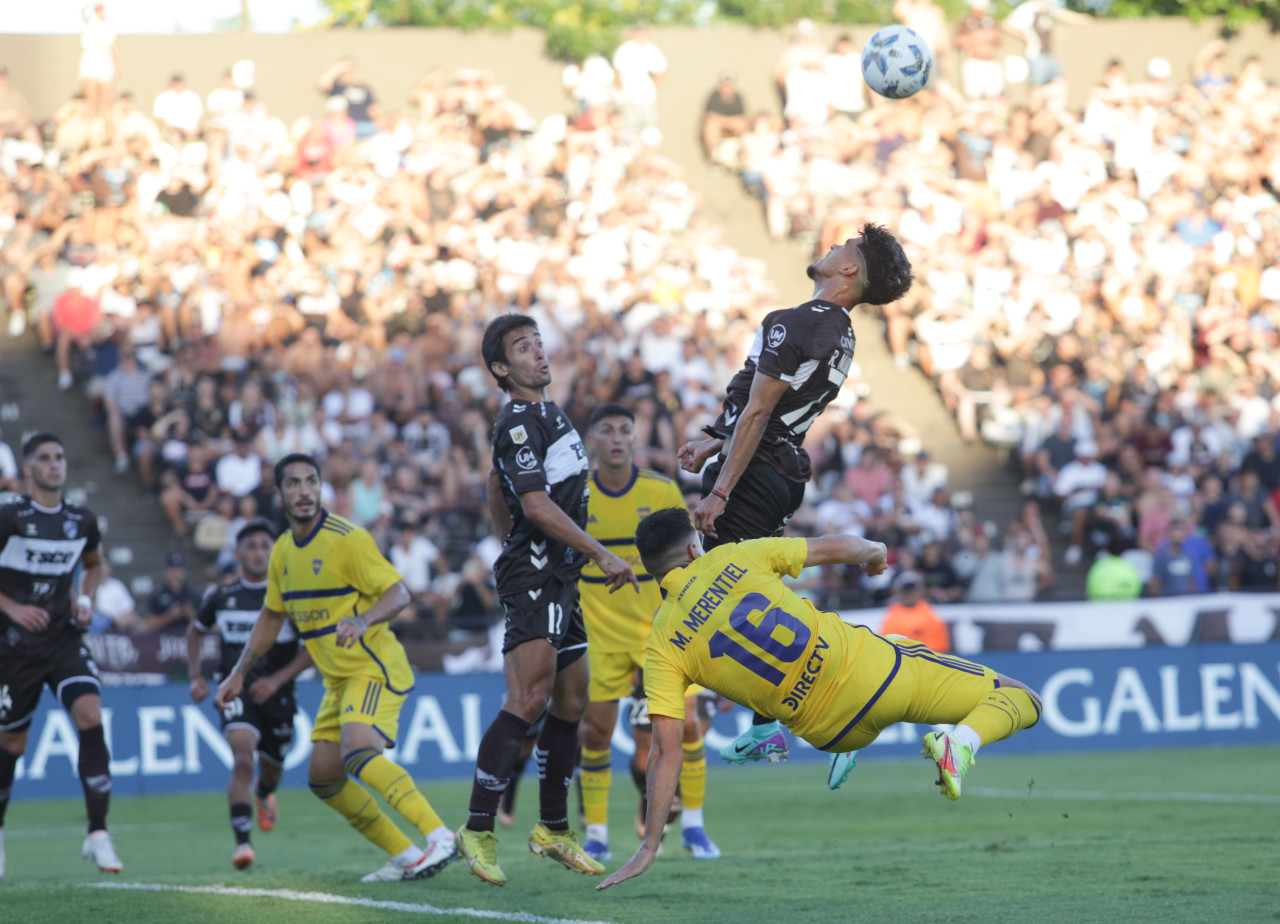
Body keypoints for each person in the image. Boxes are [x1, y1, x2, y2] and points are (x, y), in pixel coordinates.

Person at [596, 508, 1042, 890]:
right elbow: (838, 546)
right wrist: (875, 554)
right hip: (878, 677)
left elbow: (664, 753)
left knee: (901, 642)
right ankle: (960, 742)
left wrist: (648, 846)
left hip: (831, 732)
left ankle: (770, 736)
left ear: (655, 572)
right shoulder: (735, 556)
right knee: (1023, 699)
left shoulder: (662, 644)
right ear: (695, 550)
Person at [676, 224, 913, 767]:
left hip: (757, 474)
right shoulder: (838, 332)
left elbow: (761, 411)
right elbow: (768, 407)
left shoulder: (795, 322)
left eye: (842, 248)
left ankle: (841, 708)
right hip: (778, 469)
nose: (831, 248)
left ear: (849, 270)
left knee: (721, 603)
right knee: (749, 602)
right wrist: (714, 438)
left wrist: (720, 489)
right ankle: (773, 724)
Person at [455, 315, 639, 887]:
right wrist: (602, 554)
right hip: (536, 576)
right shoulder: (514, 421)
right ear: (502, 369)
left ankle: (553, 829)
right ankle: (478, 829)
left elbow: (495, 486)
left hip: (559, 573)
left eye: (538, 343)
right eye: (522, 348)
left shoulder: (550, 414)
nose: (538, 353)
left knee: (571, 701)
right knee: (529, 699)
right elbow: (533, 507)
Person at [214, 454, 458, 882]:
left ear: (321, 488)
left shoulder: (348, 538)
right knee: (324, 779)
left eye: (311, 481)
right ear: (279, 494)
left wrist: (362, 620)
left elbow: (398, 594)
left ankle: (440, 836)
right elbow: (271, 617)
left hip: (372, 666)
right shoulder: (283, 553)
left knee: (360, 751)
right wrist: (238, 672)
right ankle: (406, 857)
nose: (304, 491)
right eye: (293, 483)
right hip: (338, 680)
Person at [577, 403, 720, 864]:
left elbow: (688, 557)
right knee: (594, 732)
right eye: (607, 431)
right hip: (599, 634)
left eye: (624, 430)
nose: (617, 438)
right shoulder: (575, 495)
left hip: (661, 634)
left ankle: (695, 828)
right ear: (592, 440)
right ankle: (597, 833)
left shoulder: (660, 490)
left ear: (635, 438)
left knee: (689, 726)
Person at [0, 433, 121, 876]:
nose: (55, 464)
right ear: (29, 467)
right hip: (12, 648)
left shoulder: (81, 519)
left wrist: (85, 599)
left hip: (63, 640)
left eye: (60, 457)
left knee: (90, 715)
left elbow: (94, 564)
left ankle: (98, 835)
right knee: (11, 743)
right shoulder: (9, 515)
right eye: (45, 458)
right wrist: (12, 607)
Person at [189, 519, 313, 870]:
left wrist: (277, 680)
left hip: (279, 696)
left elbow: (313, 648)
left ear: (275, 552)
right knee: (243, 759)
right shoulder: (221, 596)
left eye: (265, 546)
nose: (259, 552)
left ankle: (264, 792)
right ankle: (243, 844)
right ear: (238, 553)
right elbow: (195, 631)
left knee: (272, 770)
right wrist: (196, 675)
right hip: (236, 693)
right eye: (252, 546)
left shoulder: (290, 595)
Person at [880, 570, 950, 653]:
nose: (909, 594)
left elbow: (941, 645)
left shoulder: (930, 613)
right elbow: (885, 646)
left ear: (920, 591)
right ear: (899, 592)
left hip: (929, 660)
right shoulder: (892, 616)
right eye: (906, 591)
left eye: (912, 590)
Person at [144, 552, 199, 634]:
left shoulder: (193, 593)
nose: (176, 573)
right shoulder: (157, 594)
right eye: (172, 569)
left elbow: (206, 622)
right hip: (163, 640)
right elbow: (150, 624)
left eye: (179, 569)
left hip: (188, 637)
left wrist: (190, 614)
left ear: (184, 571)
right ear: (166, 571)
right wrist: (169, 616)